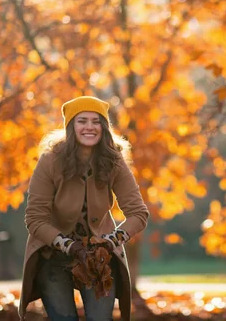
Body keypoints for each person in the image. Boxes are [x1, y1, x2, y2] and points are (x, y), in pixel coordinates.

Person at [18, 96, 149, 321]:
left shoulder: (114, 161)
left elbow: (138, 213)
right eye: (82, 121)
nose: (90, 127)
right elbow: (35, 218)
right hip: (53, 253)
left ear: (104, 127)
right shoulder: (50, 161)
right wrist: (67, 245)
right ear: (71, 126)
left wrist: (111, 241)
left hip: (99, 257)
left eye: (96, 121)